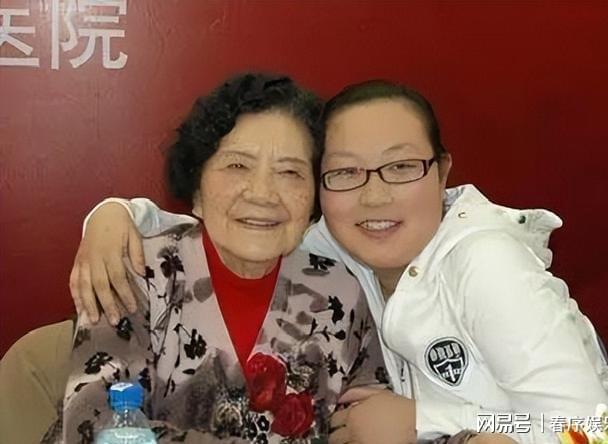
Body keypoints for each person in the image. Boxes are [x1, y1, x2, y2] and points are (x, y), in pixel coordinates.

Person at [68, 79, 608, 444]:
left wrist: (430, 419)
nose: (374, 196)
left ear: (442, 171)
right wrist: (113, 214)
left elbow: (598, 428)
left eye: (401, 167)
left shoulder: (479, 266)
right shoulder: (333, 249)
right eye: (345, 173)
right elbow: (230, 227)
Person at [3, 72, 397, 444]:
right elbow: (95, 425)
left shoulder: (339, 295)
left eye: (290, 172)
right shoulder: (139, 272)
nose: (262, 193)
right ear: (196, 189)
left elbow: (368, 425)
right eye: (237, 166)